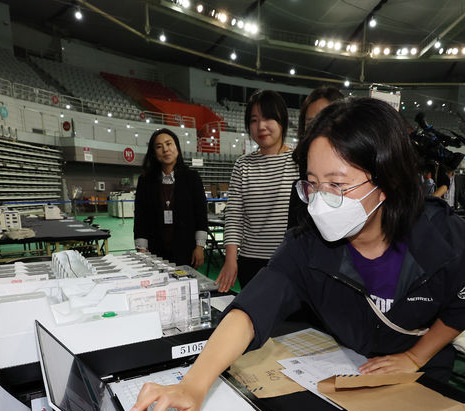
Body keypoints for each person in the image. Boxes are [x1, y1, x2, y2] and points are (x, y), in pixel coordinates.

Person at [128, 98, 465, 411]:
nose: (320, 202)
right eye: (313, 185)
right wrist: (195, 382)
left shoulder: (445, 238)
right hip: (346, 370)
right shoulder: (308, 245)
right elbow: (252, 309)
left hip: (421, 374)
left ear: (389, 181)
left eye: (337, 185)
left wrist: (415, 356)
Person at [216, 90, 298, 292]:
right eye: (254, 120)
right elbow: (234, 215)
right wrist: (230, 259)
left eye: (268, 117)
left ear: (282, 120)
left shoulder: (299, 161)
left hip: (290, 262)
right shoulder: (242, 165)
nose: (261, 126)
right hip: (250, 262)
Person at [134, 128, 208, 267]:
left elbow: (201, 215)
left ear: (177, 147)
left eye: (169, 144)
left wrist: (199, 247)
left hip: (186, 251)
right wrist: (141, 251)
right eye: (159, 146)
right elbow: (141, 218)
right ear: (154, 153)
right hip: (154, 252)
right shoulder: (145, 181)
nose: (165, 149)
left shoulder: (192, 178)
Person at [287, 86, 345, 230]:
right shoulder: (301, 188)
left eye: (326, 121)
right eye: (311, 124)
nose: (318, 129)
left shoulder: (360, 183)